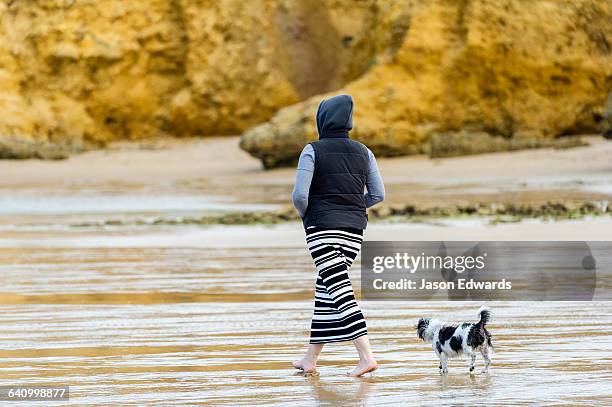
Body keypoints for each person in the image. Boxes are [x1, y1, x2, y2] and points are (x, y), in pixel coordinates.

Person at [291, 94, 385, 377]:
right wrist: (354, 206)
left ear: (323, 119)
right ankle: (310, 359)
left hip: (321, 229)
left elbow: (299, 195)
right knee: (326, 289)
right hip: (354, 231)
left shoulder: (312, 150)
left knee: (340, 290)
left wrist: (308, 214)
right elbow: (378, 195)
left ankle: (366, 356)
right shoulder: (364, 151)